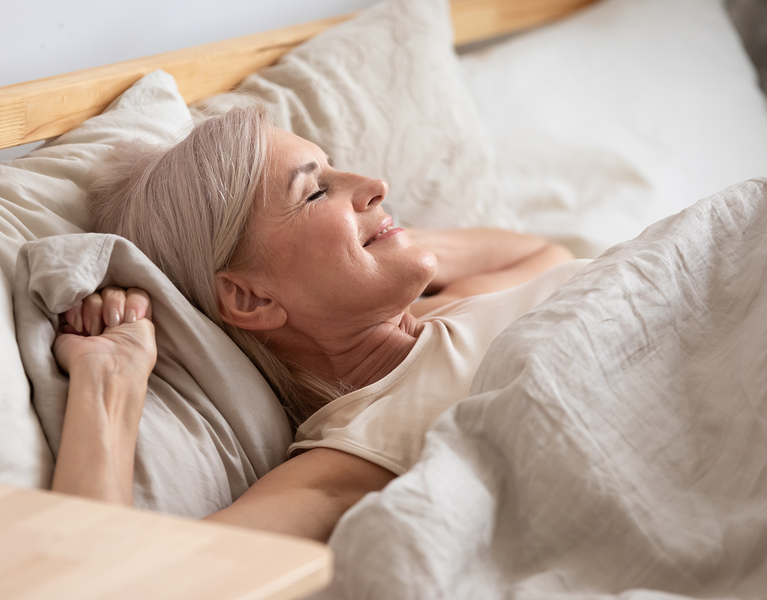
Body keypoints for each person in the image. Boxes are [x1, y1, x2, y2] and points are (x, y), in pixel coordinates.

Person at [51, 103, 581, 541]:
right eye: (316, 191)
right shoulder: (354, 455)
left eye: (335, 168)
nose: (376, 183)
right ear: (251, 299)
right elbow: (105, 580)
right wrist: (108, 383)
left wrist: (392, 239)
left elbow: (543, 250)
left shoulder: (450, 310)